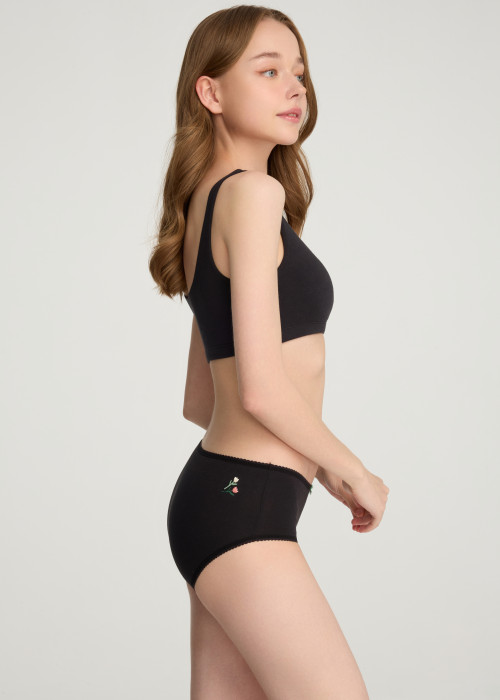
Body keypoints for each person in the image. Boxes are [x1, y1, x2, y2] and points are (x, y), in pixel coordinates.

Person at [149, 5, 390, 698]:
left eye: (300, 74)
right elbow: (257, 389)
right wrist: (350, 471)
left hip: (221, 500)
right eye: (268, 70)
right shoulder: (253, 196)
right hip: (243, 505)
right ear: (211, 92)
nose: (294, 88)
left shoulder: (205, 205)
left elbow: (201, 399)